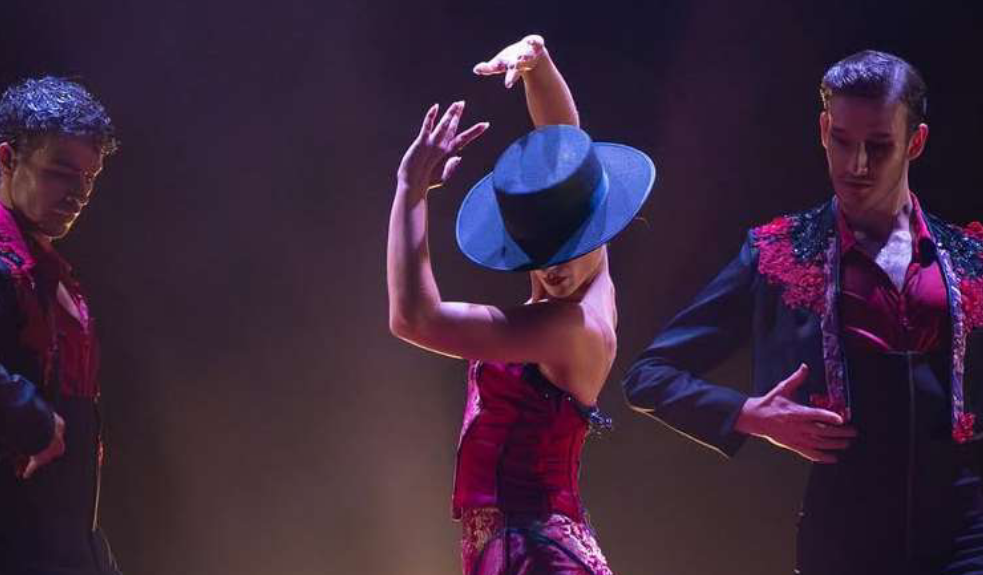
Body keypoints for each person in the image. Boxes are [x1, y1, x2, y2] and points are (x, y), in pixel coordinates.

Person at [623, 50, 983, 574]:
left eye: (879, 146)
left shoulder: (968, 257)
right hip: (843, 536)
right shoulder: (779, 252)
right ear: (822, 129)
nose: (856, 164)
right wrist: (751, 414)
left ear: (916, 142)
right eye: (842, 141)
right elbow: (647, 376)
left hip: (963, 529)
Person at [388, 35, 654, 575]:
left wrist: (409, 188)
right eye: (542, 253)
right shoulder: (592, 271)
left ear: (595, 232)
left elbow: (413, 318)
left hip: (538, 558)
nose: (555, 267)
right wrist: (539, 63)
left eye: (569, 250)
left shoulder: (569, 325)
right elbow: (566, 150)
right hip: (526, 550)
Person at [0, 76, 122, 574]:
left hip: (64, 542)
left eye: (89, 179)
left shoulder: (51, 268)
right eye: (61, 172)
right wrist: (23, 411)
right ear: (7, 158)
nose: (79, 194)